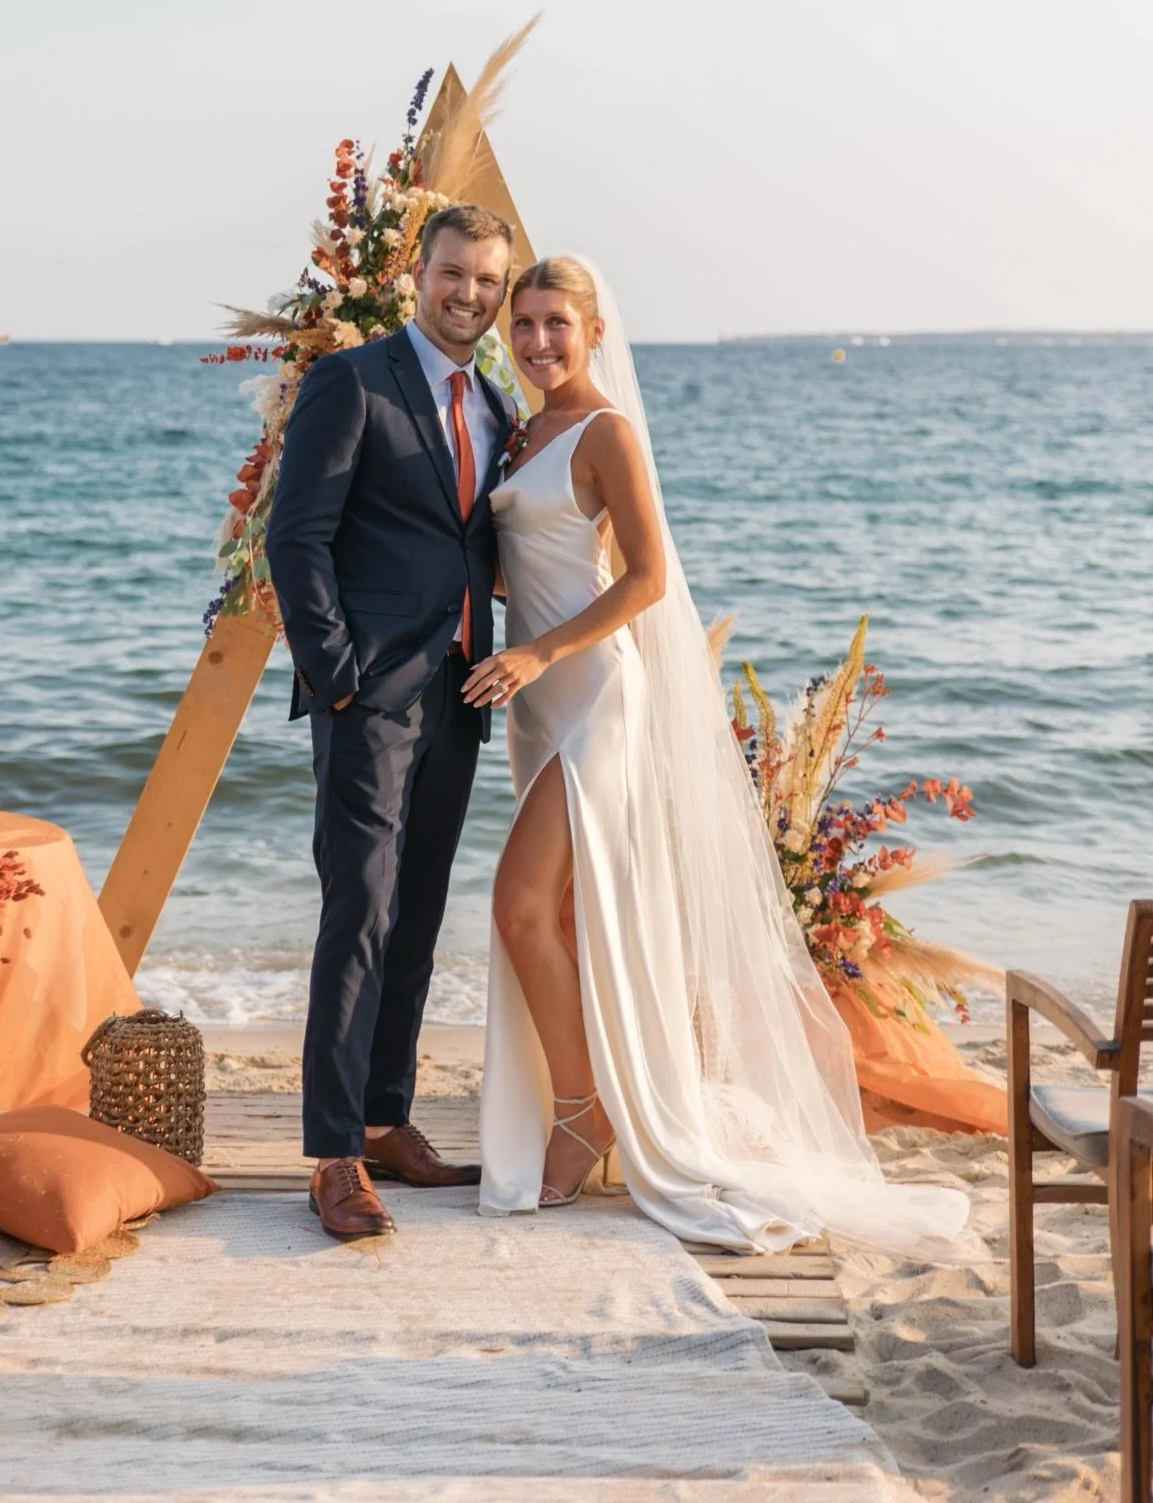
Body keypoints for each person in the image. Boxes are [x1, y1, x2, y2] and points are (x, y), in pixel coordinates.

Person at [468, 255, 968, 1253]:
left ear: (596, 328)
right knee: (569, 915)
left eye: (555, 324)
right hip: (539, 704)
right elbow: (537, 563)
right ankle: (593, 1094)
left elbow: (648, 578)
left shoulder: (607, 432)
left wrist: (536, 651)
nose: (536, 343)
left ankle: (585, 1113)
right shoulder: (525, 430)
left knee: (520, 906)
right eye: (521, 326)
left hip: (599, 697)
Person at [266, 203, 518, 1239]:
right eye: (454, 273)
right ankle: (332, 1154)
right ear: (419, 274)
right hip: (369, 692)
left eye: (488, 282)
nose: (469, 294)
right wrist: (337, 678)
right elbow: (297, 537)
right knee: (357, 911)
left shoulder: (497, 404)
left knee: (417, 911)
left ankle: (385, 1119)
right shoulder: (353, 380)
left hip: (457, 689)